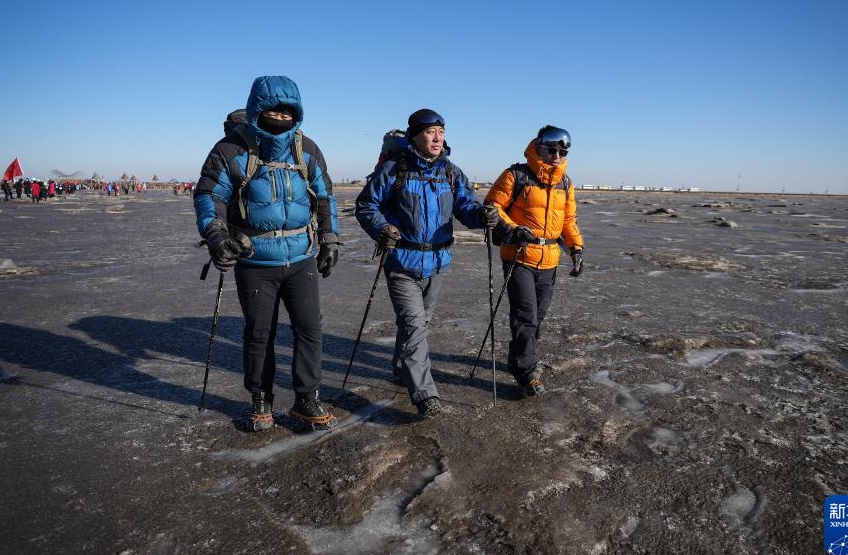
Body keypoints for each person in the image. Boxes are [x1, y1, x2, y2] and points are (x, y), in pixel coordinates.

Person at [194, 75, 340, 431]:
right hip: (255, 260)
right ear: (257, 108)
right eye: (272, 108)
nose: (280, 115)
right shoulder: (230, 149)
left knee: (310, 330)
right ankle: (261, 399)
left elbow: (324, 196)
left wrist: (330, 239)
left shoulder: (308, 149)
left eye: (287, 109)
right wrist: (215, 236)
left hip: (301, 256)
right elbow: (209, 196)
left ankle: (307, 399)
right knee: (260, 333)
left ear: (298, 112)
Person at [355, 108, 498, 419]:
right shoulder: (394, 169)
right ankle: (425, 393)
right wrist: (382, 229)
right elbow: (367, 205)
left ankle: (400, 368)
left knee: (419, 324)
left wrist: (481, 215)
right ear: (415, 136)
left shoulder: (450, 172)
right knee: (414, 325)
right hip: (402, 262)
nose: (437, 137)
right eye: (430, 132)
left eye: (441, 132)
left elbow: (465, 206)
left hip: (437, 262)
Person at [484, 125, 584, 397]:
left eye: (562, 152)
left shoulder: (566, 183)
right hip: (519, 257)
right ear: (538, 147)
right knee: (525, 315)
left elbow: (568, 221)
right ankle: (528, 373)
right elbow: (492, 207)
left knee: (537, 317)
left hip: (550, 259)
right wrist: (513, 230)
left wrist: (575, 248)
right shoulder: (516, 175)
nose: (556, 156)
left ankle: (518, 358)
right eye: (551, 150)